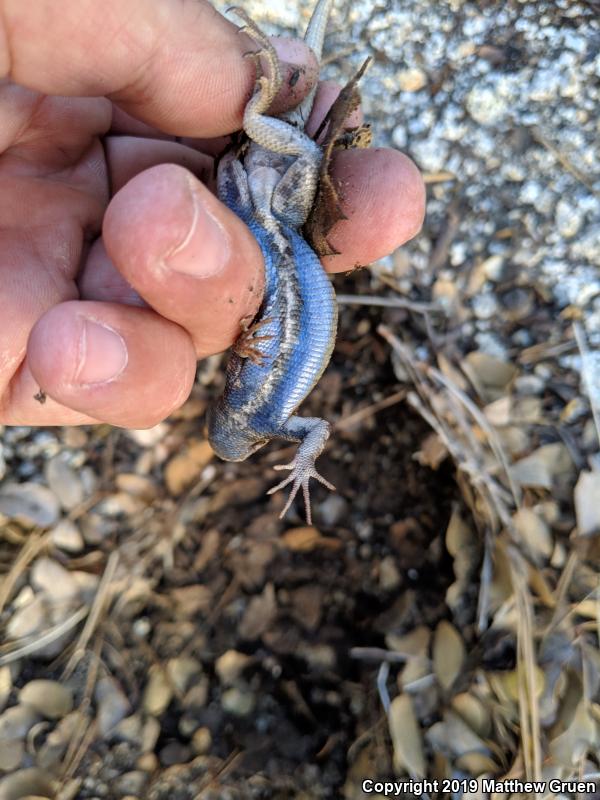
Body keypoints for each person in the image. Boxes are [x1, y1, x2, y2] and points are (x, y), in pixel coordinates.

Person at [0, 0, 425, 428]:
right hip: (271, 193)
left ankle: (266, 106)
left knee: (286, 145)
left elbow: (315, 427)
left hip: (255, 178)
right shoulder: (268, 412)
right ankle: (268, 108)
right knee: (297, 150)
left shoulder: (265, 410)